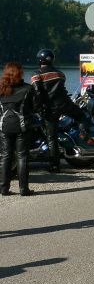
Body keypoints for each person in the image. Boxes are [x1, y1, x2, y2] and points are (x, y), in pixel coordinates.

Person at [30, 48, 94, 173]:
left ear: (39, 60)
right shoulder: (60, 74)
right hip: (65, 104)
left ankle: (55, 166)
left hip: (49, 108)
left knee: (51, 137)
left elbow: (38, 93)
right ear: (52, 60)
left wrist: (37, 108)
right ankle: (82, 132)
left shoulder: (36, 74)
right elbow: (61, 89)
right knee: (83, 115)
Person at [1, 62, 36, 196]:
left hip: (4, 126)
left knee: (6, 156)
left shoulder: (1, 88)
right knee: (22, 156)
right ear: (20, 73)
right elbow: (34, 107)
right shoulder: (28, 88)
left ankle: (4, 188)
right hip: (22, 126)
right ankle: (23, 189)